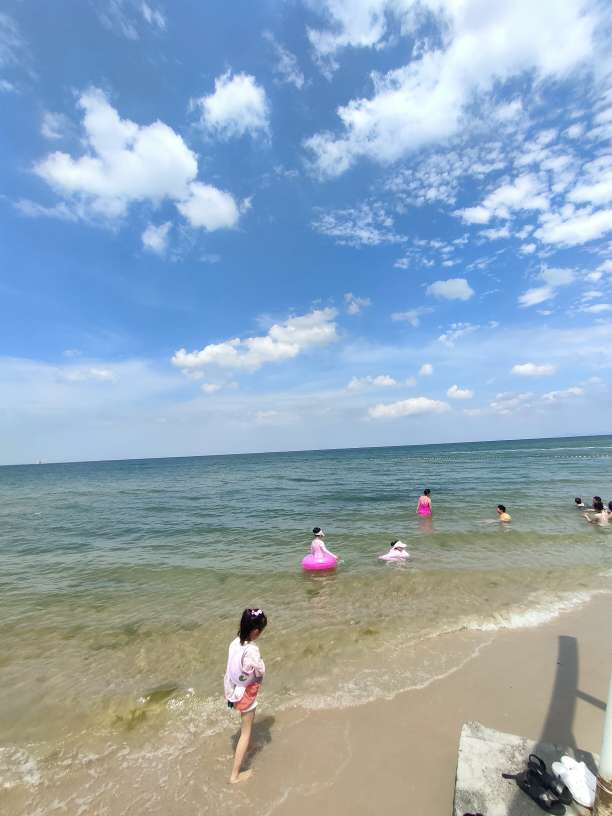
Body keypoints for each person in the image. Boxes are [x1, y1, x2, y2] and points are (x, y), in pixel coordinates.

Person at [224, 608, 267, 784]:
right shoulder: (252, 650)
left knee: (245, 725)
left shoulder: (235, 643)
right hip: (245, 694)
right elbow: (260, 669)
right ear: (255, 631)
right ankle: (234, 775)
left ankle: (248, 747)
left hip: (233, 690)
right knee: (246, 732)